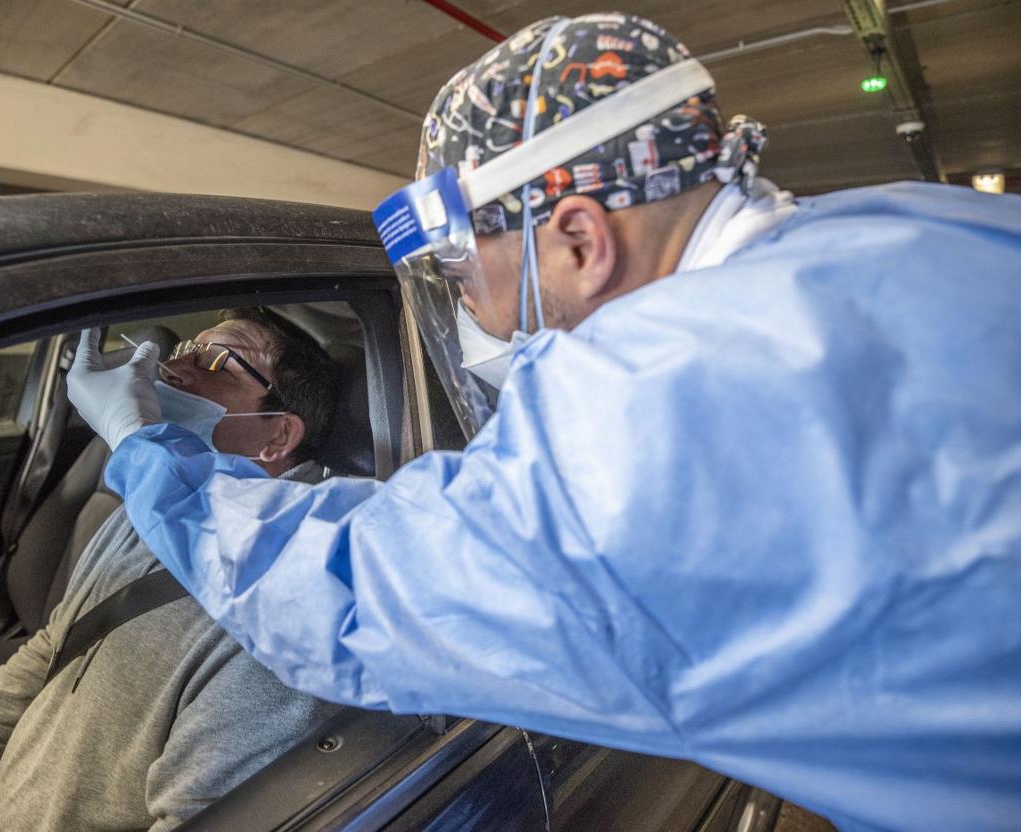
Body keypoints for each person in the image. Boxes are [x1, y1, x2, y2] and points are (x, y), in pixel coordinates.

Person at [66, 14, 1021, 832]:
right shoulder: (938, 224)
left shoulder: (653, 413)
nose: (479, 315)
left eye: (460, 272)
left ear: (578, 237)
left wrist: (156, 450)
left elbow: (353, 600)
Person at [0, 308, 342, 832]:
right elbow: (49, 650)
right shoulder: (148, 505)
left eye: (217, 362)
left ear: (278, 437)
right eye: (185, 350)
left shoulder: (280, 615)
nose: (173, 368)